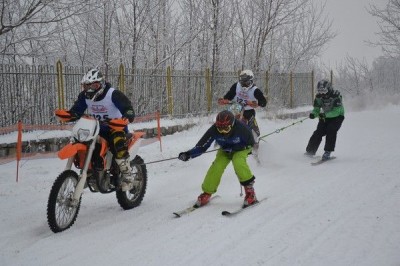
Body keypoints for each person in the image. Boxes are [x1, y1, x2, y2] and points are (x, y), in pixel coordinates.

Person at [60, 68, 136, 191]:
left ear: (100, 84)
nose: (89, 89)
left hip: (115, 127)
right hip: (96, 128)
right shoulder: (85, 96)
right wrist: (68, 115)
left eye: (93, 85)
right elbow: (77, 111)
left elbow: (127, 107)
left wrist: (128, 114)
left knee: (117, 143)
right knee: (79, 140)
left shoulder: (113, 94)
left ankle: (127, 175)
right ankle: (91, 170)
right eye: (86, 86)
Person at [178, 110, 258, 208]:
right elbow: (201, 146)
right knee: (217, 166)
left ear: (232, 125)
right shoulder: (213, 130)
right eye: (220, 129)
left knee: (238, 161)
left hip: (241, 149)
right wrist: (188, 154)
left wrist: (237, 148)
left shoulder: (242, 129)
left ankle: (250, 192)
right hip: (225, 150)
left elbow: (251, 144)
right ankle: (207, 193)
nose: (223, 132)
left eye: (226, 128)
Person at [217, 69, 267, 152]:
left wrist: (256, 103)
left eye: (247, 83)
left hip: (248, 110)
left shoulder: (255, 90)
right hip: (237, 107)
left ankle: (250, 142)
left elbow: (264, 102)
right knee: (226, 117)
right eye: (242, 83)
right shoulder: (236, 86)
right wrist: (224, 100)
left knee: (244, 122)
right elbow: (229, 95)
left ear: (251, 81)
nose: (244, 86)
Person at [305, 79, 345, 160]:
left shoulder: (336, 96)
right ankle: (310, 151)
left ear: (329, 89)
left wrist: (324, 114)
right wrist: (313, 114)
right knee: (318, 132)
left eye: (324, 91)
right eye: (320, 91)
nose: (322, 93)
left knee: (331, 130)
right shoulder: (319, 97)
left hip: (337, 117)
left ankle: (328, 151)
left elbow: (337, 111)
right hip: (324, 117)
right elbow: (316, 109)